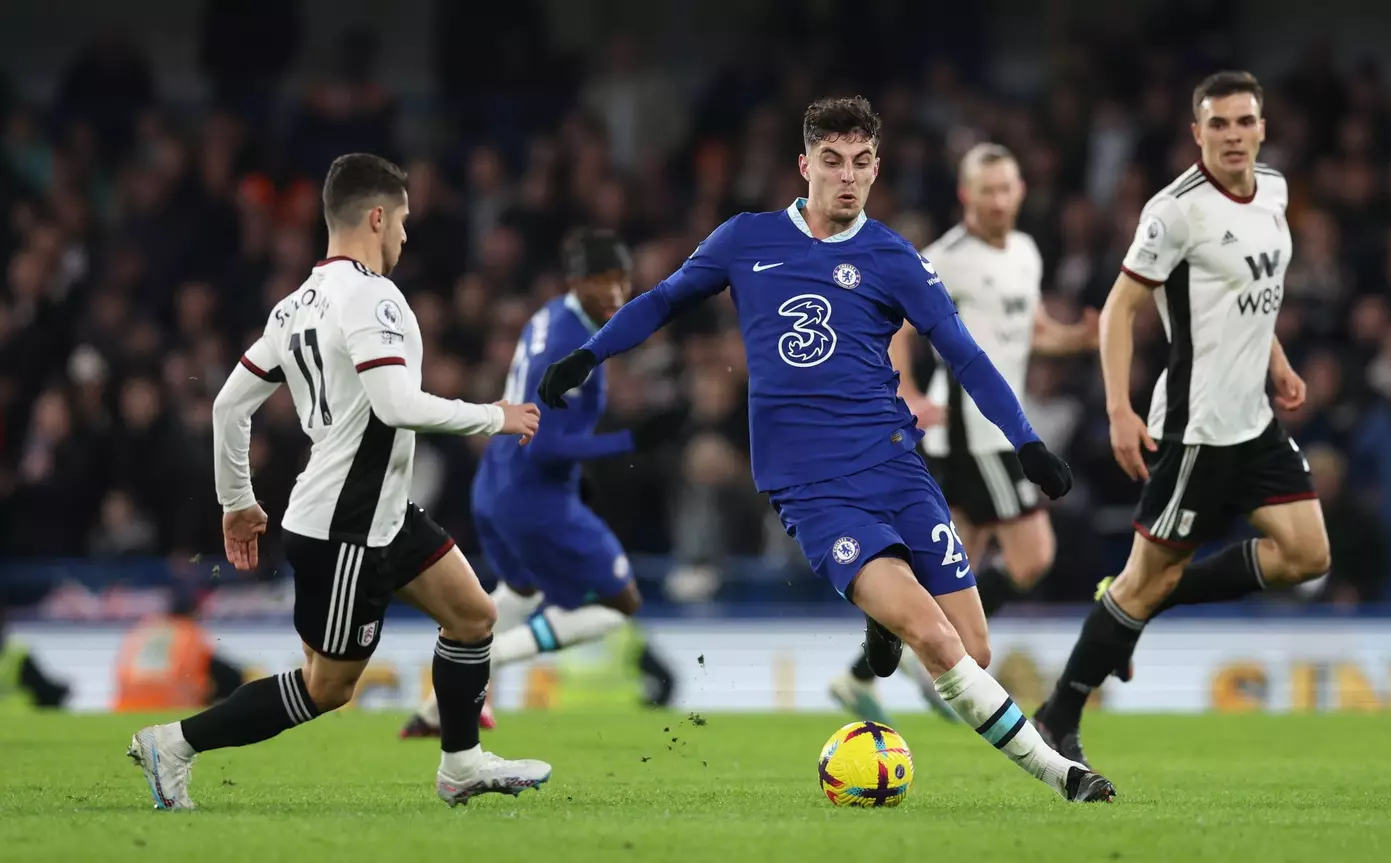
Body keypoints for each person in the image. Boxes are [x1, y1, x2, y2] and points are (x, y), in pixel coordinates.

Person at [539, 97, 1115, 803]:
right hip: (815, 488)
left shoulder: (893, 258)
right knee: (936, 640)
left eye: (862, 162)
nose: (848, 176)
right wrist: (587, 356)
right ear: (805, 164)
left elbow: (963, 354)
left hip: (899, 469)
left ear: (877, 169)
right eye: (833, 162)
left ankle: (882, 625)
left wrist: (1026, 442)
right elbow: (661, 300)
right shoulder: (747, 240)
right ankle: (1064, 776)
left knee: (973, 648)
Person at [126, 153, 550, 810]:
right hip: (345, 524)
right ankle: (175, 742)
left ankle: (461, 763)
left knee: (473, 616)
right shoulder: (372, 296)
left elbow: (227, 406)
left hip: (379, 512)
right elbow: (396, 405)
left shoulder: (293, 306)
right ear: (377, 216)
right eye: (403, 221)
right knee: (327, 687)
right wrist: (493, 415)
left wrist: (237, 500)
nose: (406, 237)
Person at [1033, 71, 1331, 767]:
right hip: (1195, 431)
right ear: (1196, 133)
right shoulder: (1175, 212)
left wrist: (1277, 358)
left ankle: (1138, 606)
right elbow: (1119, 312)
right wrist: (1117, 408)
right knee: (1145, 580)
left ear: (1262, 127)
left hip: (1253, 421)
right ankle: (1059, 711)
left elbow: (1254, 289)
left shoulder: (1277, 191)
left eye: (1244, 121)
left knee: (1308, 554)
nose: (1233, 135)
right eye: (1218, 124)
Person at [829, 143, 1099, 724]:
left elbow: (1029, 332)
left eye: (1007, 189)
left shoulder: (1025, 252)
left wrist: (1075, 339)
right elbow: (892, 320)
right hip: (976, 435)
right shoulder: (944, 257)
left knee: (954, 571)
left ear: (1020, 191)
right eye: (987, 191)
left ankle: (865, 674)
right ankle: (944, 668)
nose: (999, 201)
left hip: (993, 434)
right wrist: (907, 392)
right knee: (1032, 556)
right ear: (966, 195)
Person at [399, 228, 674, 738]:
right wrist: (631, 442)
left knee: (520, 592)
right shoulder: (571, 339)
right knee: (620, 605)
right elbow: (543, 439)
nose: (615, 295)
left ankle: (438, 707)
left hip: (498, 484)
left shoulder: (551, 319)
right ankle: (485, 665)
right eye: (602, 283)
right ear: (576, 281)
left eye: (621, 282)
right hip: (533, 493)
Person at [114, 587, 245, 712]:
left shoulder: (144, 629)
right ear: (194, 612)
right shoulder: (189, 633)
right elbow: (227, 674)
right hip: (171, 705)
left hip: (127, 706)